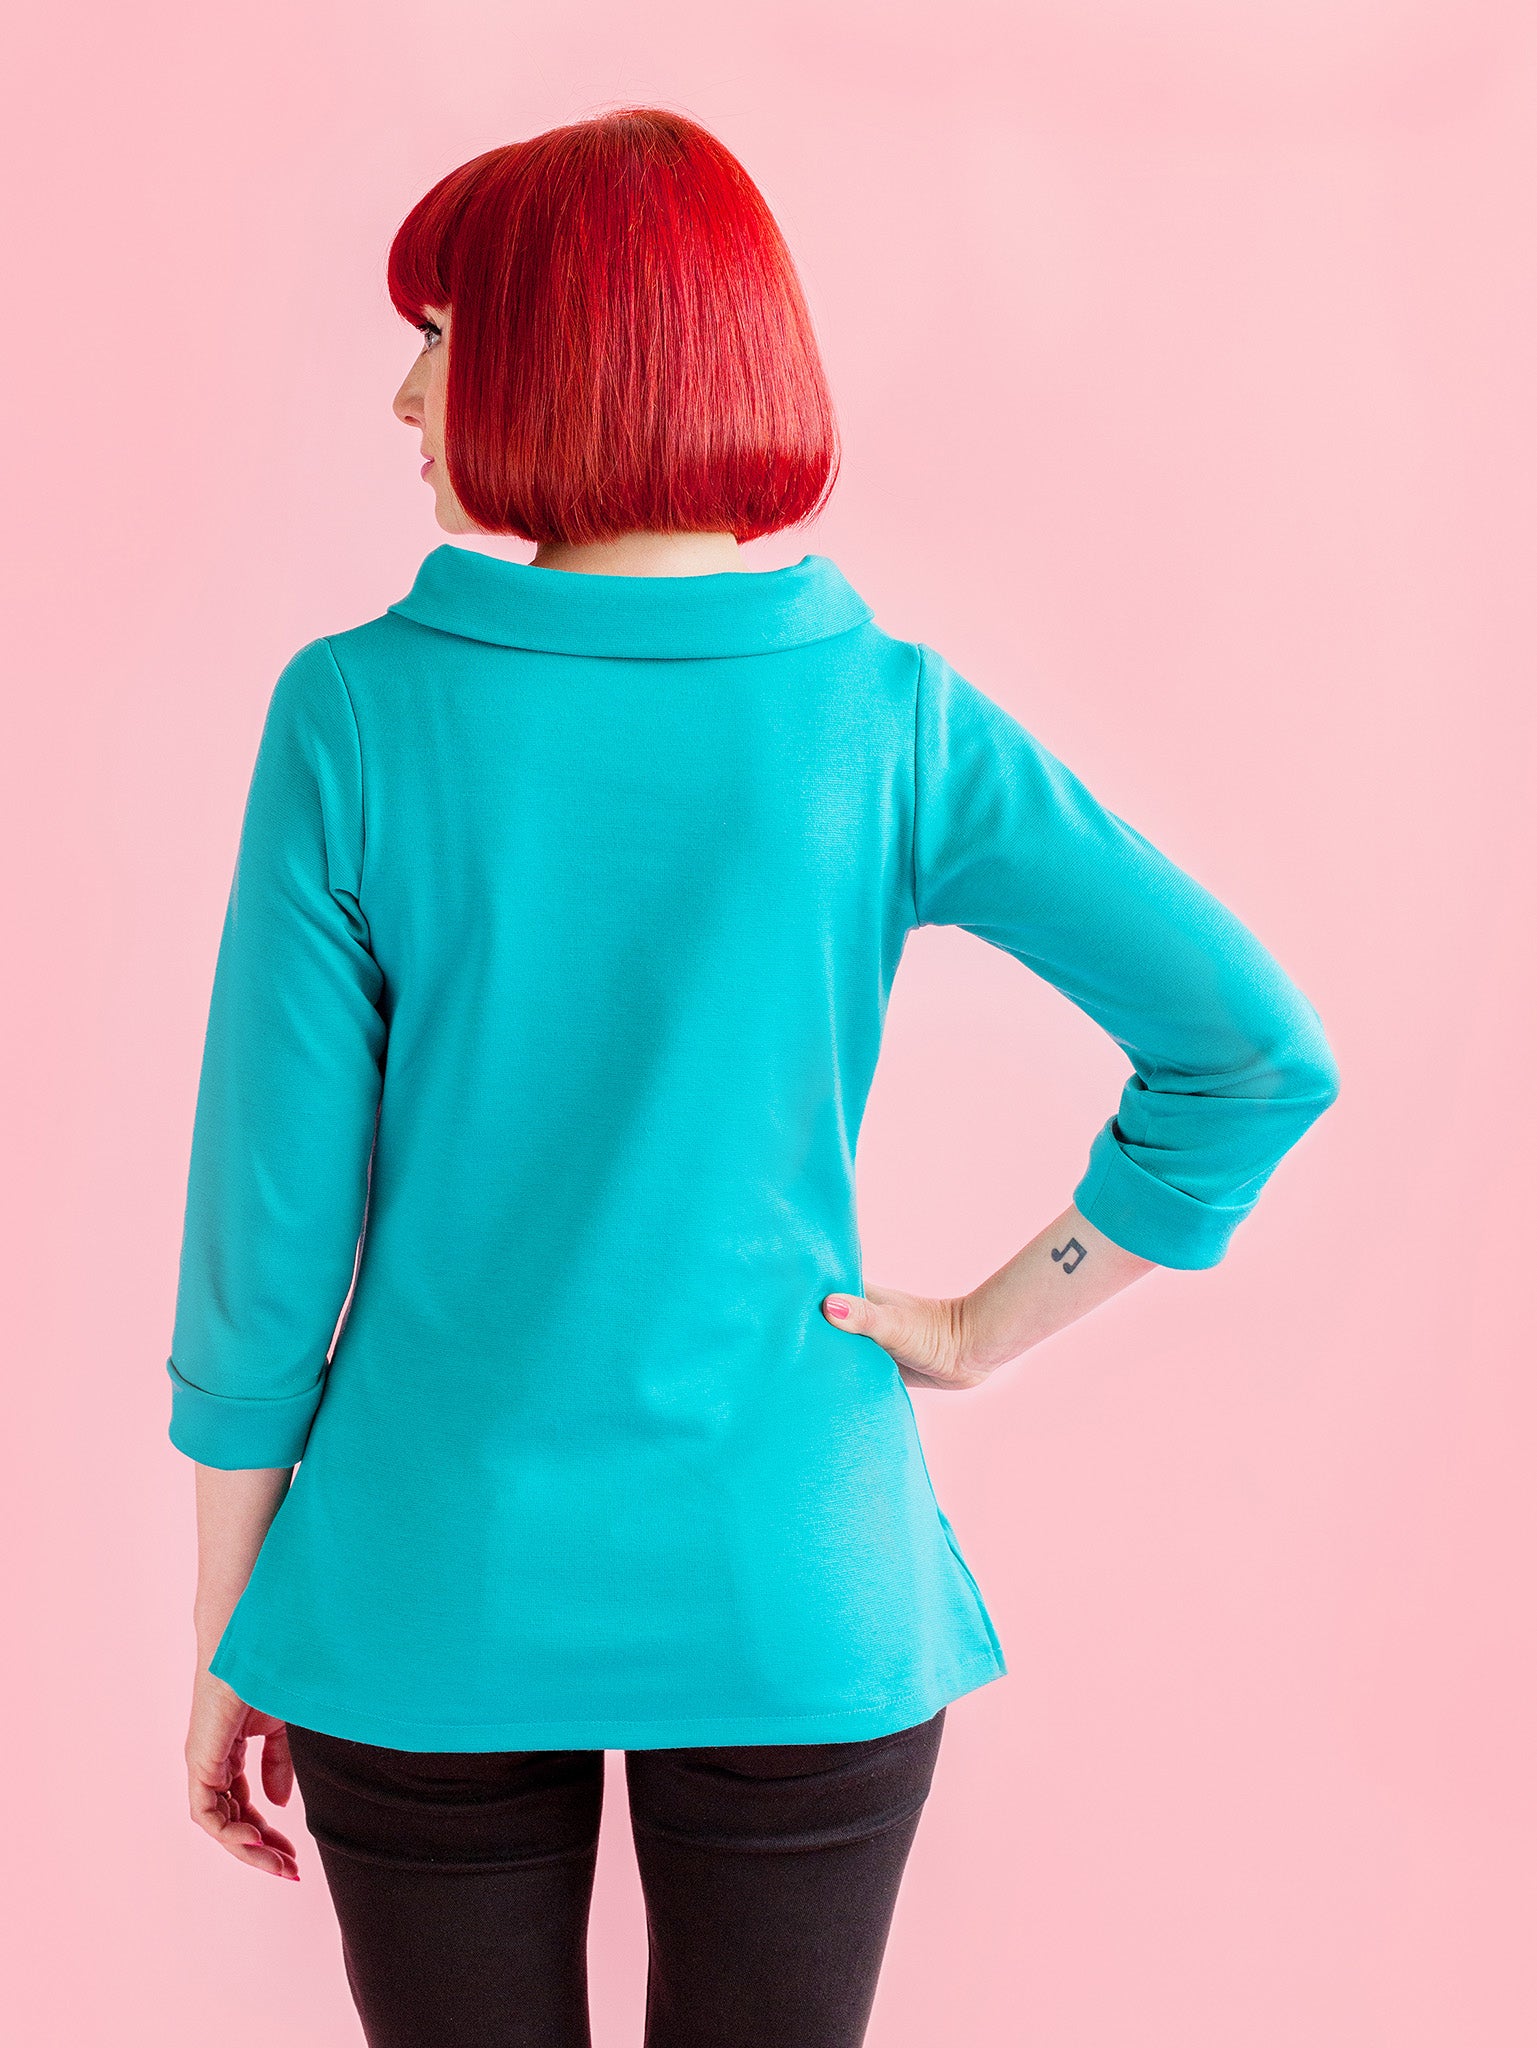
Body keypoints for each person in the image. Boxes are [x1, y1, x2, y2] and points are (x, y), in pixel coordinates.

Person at [167, 106, 1341, 2048]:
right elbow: (1249, 1055)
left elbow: (264, 1243)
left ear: (564, 351)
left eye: (441, 337)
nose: (404, 396)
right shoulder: (885, 717)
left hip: (423, 1572)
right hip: (795, 1573)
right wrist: (978, 1328)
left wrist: (231, 1626)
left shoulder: (356, 715)